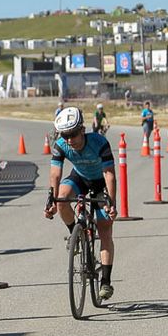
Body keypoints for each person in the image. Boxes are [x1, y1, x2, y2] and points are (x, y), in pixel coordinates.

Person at [43, 106, 118, 300]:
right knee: (62, 197)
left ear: (82, 130)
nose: (69, 140)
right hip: (80, 178)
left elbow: (109, 174)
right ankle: (75, 235)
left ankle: (106, 282)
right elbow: (55, 173)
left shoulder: (99, 142)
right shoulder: (61, 144)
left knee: (104, 229)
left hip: (100, 183)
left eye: (73, 135)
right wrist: (51, 198)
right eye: (65, 135)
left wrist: (112, 202)